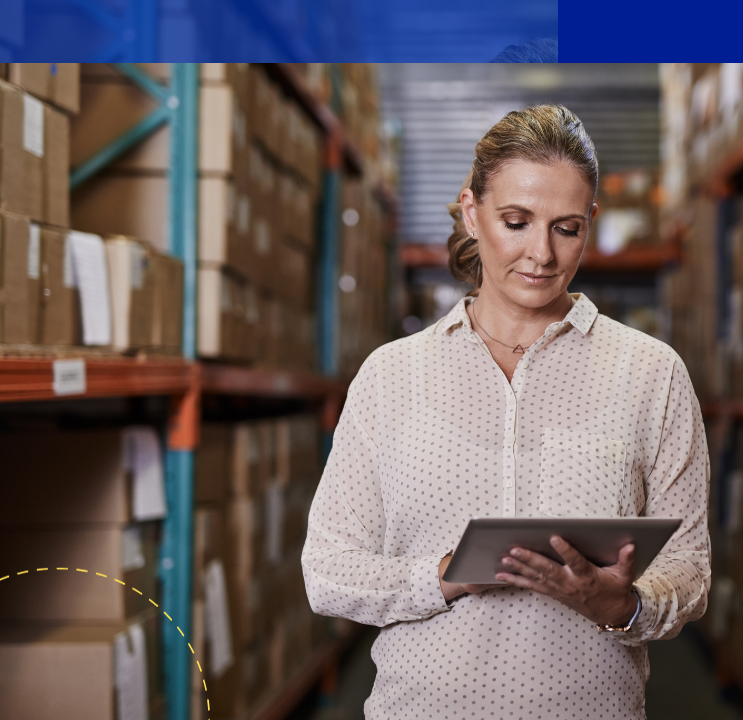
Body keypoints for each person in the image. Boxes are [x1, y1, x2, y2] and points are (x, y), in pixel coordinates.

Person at [302, 104, 711, 719]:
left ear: (590, 225)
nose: (540, 254)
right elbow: (327, 572)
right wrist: (446, 576)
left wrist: (621, 606)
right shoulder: (391, 376)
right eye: (516, 221)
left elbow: (690, 571)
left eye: (566, 228)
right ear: (472, 212)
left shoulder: (652, 374)